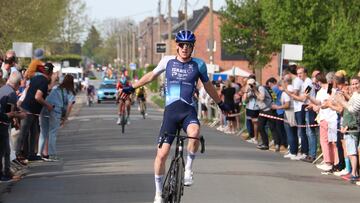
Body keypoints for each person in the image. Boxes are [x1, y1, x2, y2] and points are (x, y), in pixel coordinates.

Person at [120, 30, 230, 203]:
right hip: (171, 113)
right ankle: (157, 193)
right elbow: (151, 76)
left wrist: (221, 103)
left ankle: (188, 171)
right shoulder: (167, 61)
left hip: (188, 111)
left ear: (192, 47)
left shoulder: (199, 65)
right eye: (182, 45)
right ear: (177, 46)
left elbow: (208, 87)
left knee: (194, 133)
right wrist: (132, 87)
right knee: (162, 155)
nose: (185, 48)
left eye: (188, 46)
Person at [17, 63, 54, 162]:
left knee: (34, 132)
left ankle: (31, 154)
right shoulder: (44, 82)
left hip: (31, 110)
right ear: (50, 73)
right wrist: (48, 105)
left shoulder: (36, 78)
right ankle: (18, 154)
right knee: (24, 133)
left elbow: (28, 89)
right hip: (29, 110)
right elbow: (38, 97)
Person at [38, 74, 76, 161]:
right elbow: (70, 106)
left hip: (45, 108)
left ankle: (39, 154)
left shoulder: (56, 88)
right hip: (55, 110)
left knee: (43, 132)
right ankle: (52, 155)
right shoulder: (70, 92)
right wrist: (65, 118)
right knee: (52, 132)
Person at [0, 71, 25, 181]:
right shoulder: (12, 94)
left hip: (2, 123)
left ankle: (5, 173)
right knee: (5, 151)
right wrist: (19, 117)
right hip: (3, 125)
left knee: (5, 150)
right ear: (18, 83)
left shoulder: (3, 89)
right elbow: (9, 113)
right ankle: (5, 174)